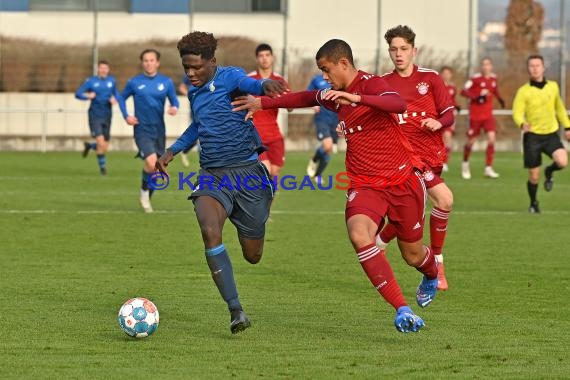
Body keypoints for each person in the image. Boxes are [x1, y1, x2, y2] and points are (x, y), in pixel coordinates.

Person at [232, 38, 439, 333]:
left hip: (402, 182)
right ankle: (401, 308)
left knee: (413, 255)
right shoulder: (334, 93)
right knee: (359, 234)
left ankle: (431, 273)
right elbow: (304, 98)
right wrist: (263, 102)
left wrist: (357, 100)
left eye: (327, 70)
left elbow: (397, 103)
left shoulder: (372, 84)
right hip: (365, 184)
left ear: (344, 63)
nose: (325, 77)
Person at [155, 31, 287, 334]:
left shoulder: (230, 78)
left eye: (196, 67)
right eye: (186, 68)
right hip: (213, 175)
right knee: (209, 229)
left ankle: (254, 221)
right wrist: (173, 150)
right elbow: (198, 126)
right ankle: (235, 310)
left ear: (212, 62)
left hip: (248, 175)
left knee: (253, 256)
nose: (190, 74)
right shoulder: (194, 92)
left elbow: (250, 84)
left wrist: (263, 86)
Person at [376, 25, 455, 291]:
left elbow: (449, 115)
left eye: (403, 49)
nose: (398, 54)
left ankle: (379, 243)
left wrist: (438, 122)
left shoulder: (431, 79)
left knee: (410, 214)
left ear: (414, 50)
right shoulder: (384, 83)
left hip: (433, 155)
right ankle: (438, 265)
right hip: (405, 159)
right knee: (444, 200)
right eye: (393, 49)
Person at [120, 48, 179, 213]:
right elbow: (121, 98)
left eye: (151, 60)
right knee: (152, 162)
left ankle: (145, 193)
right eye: (145, 60)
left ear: (157, 63)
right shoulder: (134, 82)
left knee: (157, 169)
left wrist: (174, 107)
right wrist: (127, 116)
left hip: (159, 130)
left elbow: (174, 100)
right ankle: (145, 194)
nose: (148, 63)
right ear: (142, 63)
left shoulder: (166, 82)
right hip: (141, 129)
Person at [512, 54, 570, 213]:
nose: (535, 68)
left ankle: (549, 171)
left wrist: (567, 127)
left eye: (538, 65)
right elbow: (517, 112)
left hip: (551, 134)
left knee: (563, 161)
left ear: (543, 67)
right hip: (533, 137)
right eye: (531, 66)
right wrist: (522, 123)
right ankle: (533, 203)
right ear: (528, 69)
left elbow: (559, 108)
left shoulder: (553, 86)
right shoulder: (523, 91)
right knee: (534, 176)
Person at [247, 43, 290, 178]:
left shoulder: (279, 81)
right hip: (255, 135)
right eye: (261, 56)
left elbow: (291, 107)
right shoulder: (249, 80)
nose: (264, 59)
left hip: (274, 135)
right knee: (266, 169)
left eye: (267, 55)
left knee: (274, 173)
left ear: (272, 58)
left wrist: (284, 98)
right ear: (256, 59)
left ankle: (266, 199)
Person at [75, 60, 124, 175]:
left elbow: (116, 94)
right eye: (101, 68)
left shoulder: (111, 81)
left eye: (105, 68)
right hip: (95, 115)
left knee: (105, 146)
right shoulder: (91, 81)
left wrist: (115, 99)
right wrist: (87, 96)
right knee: (101, 144)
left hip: (107, 115)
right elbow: (78, 94)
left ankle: (90, 146)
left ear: (108, 69)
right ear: (98, 69)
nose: (103, 70)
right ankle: (103, 169)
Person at [460, 57, 505, 179]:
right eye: (483, 64)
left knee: (491, 138)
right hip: (475, 116)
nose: (486, 67)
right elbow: (463, 91)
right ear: (481, 67)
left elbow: (495, 90)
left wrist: (500, 100)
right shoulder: (475, 79)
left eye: (488, 64)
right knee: (471, 142)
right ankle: (465, 163)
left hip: (488, 116)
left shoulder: (493, 79)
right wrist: (476, 97)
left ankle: (488, 168)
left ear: (491, 66)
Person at [306, 73, 340, 179]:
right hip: (322, 118)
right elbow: (308, 94)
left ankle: (318, 174)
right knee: (327, 145)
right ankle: (314, 159)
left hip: (336, 119)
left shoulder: (338, 78)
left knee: (329, 150)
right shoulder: (316, 79)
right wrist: (313, 104)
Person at [439, 66, 461, 173]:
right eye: (444, 73)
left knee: (448, 138)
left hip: (449, 117)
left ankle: (445, 162)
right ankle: (437, 161)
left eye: (448, 73)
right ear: (441, 74)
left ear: (451, 75)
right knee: (439, 140)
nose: (446, 75)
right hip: (438, 117)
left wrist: (457, 106)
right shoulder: (437, 86)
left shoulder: (453, 88)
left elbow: (452, 101)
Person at [177, 75, 199, 168]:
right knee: (199, 137)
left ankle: (185, 151)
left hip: (209, 112)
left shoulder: (212, 74)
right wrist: (190, 94)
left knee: (200, 138)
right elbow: (181, 87)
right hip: (195, 112)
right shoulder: (192, 74)